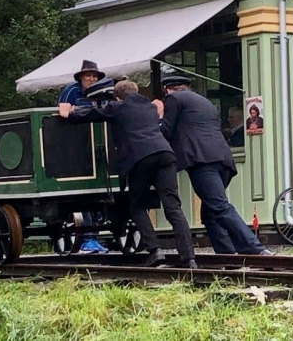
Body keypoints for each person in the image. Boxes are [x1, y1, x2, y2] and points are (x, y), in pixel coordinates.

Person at [59, 80, 196, 268]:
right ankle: (189, 257)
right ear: (137, 91)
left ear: (117, 96)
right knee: (173, 207)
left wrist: (69, 113)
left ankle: (155, 251)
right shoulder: (150, 107)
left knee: (136, 206)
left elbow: (91, 114)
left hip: (140, 158)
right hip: (165, 155)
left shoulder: (117, 107)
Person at [154, 76, 272, 256]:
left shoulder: (173, 99)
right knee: (209, 213)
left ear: (168, 89)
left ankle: (254, 247)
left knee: (219, 206)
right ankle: (227, 255)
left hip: (202, 160)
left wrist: (159, 115)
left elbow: (166, 131)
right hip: (223, 158)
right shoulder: (205, 101)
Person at [58, 60, 108, 253]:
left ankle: (94, 237)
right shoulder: (71, 91)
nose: (92, 79)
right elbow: (62, 112)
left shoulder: (102, 91)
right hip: (76, 146)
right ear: (81, 77)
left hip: (98, 146)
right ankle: (88, 238)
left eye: (94, 76)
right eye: (88, 75)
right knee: (85, 192)